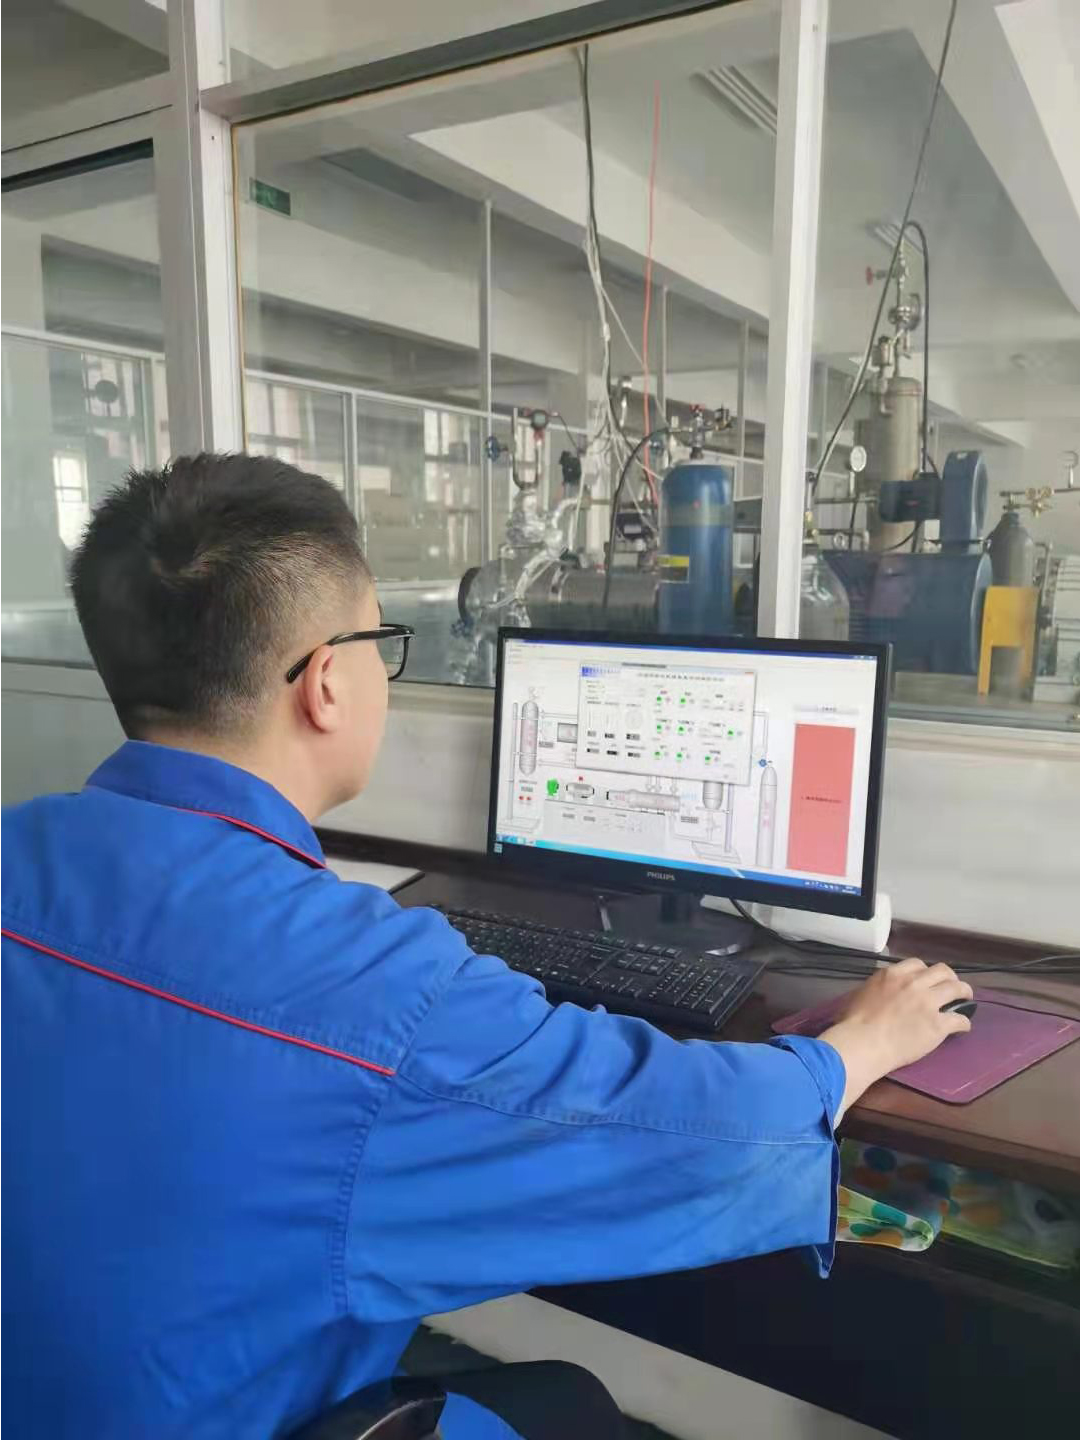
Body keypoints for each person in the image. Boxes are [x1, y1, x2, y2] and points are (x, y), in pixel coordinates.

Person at [1, 454, 973, 1440]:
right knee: (574, 1404)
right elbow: (692, 1128)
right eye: (381, 643)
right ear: (326, 683)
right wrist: (858, 1047)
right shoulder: (375, 994)